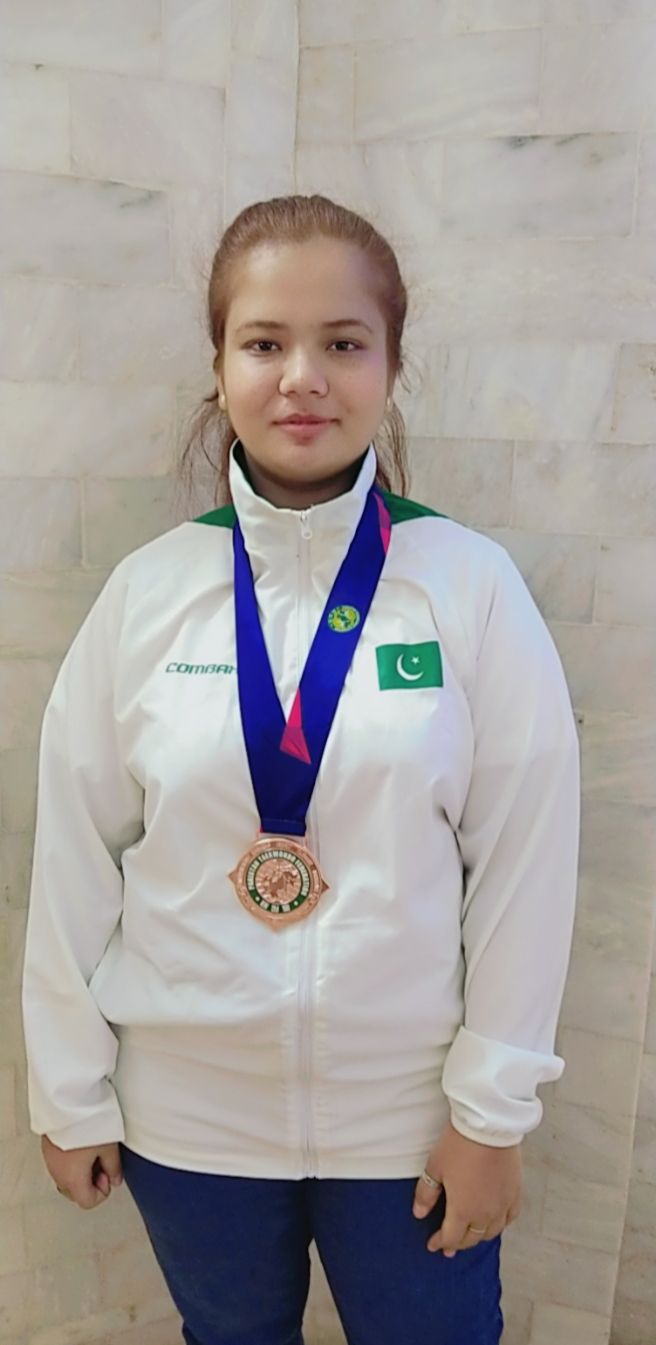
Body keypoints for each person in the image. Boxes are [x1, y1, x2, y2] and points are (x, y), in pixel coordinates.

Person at [21, 194, 581, 1345]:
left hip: (406, 1123)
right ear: (218, 365)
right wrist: (68, 1092)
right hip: (190, 1126)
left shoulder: (466, 585)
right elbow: (74, 858)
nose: (302, 378)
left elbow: (525, 867)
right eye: (264, 342)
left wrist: (489, 1115)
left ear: (390, 366)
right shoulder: (147, 594)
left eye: (342, 343)